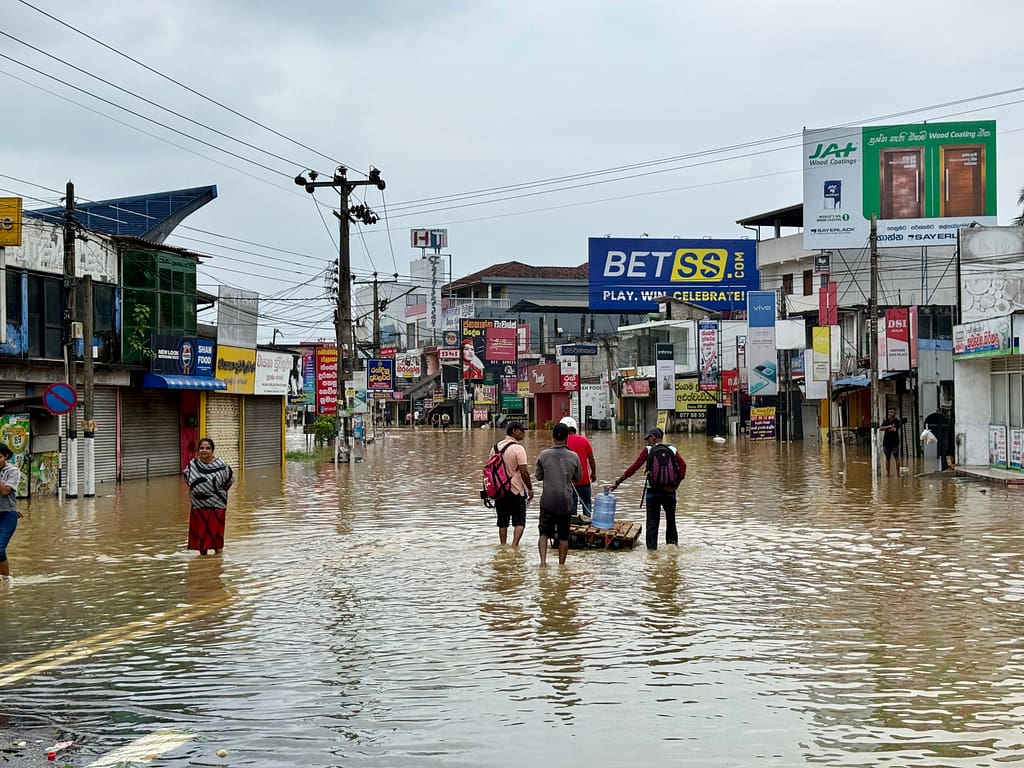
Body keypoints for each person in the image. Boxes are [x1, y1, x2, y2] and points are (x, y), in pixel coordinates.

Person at [609, 427, 686, 550]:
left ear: (653, 437)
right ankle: (672, 550)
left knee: (652, 524)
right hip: (670, 493)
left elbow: (634, 468)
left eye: (648, 438)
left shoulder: (649, 450)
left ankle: (651, 553)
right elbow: (683, 465)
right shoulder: (672, 449)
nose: (647, 441)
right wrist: (675, 485)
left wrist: (618, 482)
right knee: (671, 521)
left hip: (653, 493)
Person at [535, 422, 582, 566]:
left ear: (552, 436)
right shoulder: (574, 456)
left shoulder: (543, 455)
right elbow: (578, 478)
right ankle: (561, 565)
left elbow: (538, 476)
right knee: (563, 536)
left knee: (543, 533)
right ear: (567, 437)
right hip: (565, 502)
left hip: (548, 501)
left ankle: (543, 562)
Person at [184, 437, 235, 556]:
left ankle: (217, 561)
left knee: (216, 536)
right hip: (198, 507)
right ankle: (204, 562)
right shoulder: (193, 465)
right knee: (201, 538)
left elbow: (229, 481)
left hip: (217, 506)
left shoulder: (222, 466)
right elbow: (187, 479)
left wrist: (215, 494)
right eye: (201, 448)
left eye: (207, 448)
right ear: (198, 450)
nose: (204, 450)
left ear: (212, 450)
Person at [490, 422, 533, 546]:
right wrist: (530, 489)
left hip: (499, 490)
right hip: (516, 490)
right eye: (521, 430)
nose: (524, 433)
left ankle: (503, 545)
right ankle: (514, 546)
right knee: (519, 522)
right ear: (514, 431)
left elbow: (490, 469)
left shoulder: (495, 448)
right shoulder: (518, 449)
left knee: (502, 522)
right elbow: (524, 472)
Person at [559, 417, 597, 522]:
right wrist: (593, 474)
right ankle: (588, 522)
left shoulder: (561, 443)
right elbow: (591, 460)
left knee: (572, 507)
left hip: (569, 482)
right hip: (585, 479)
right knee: (587, 503)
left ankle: (571, 528)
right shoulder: (584, 441)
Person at [0, 444, 23, 580]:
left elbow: (5, 491)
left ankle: (5, 580)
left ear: (6, 457)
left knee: (0, 549)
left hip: (7, 514)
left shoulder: (12, 471)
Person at [880, 407, 902, 476]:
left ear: (895, 413)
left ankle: (898, 474)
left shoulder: (897, 421)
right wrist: (889, 426)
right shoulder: (886, 421)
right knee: (887, 458)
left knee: (896, 457)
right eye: (889, 412)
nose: (890, 413)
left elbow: (894, 429)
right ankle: (888, 474)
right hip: (886, 443)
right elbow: (880, 428)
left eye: (892, 412)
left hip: (895, 443)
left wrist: (886, 428)